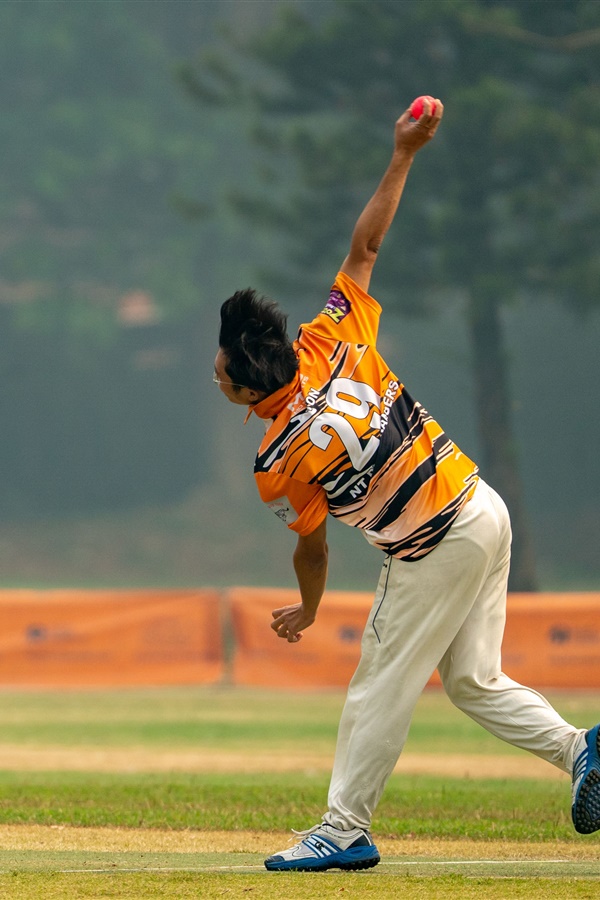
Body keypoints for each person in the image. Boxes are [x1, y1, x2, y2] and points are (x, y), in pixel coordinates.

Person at [214, 99, 600, 872]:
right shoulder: (333, 338)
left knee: (379, 682)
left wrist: (310, 609)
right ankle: (583, 751)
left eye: (219, 369)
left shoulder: (277, 459)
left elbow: (313, 549)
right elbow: (366, 246)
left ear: (247, 390)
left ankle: (342, 829)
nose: (215, 373)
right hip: (483, 507)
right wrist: (404, 152)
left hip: (432, 545)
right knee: (472, 681)